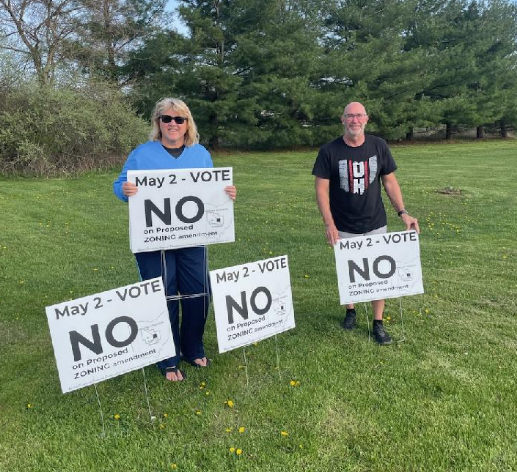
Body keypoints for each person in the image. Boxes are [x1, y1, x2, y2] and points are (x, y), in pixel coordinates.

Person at [113, 97, 236, 381]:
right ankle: (167, 356)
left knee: (198, 291)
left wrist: (226, 194)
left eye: (179, 119)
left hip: (192, 236)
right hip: (153, 238)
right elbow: (119, 184)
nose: (172, 124)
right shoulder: (142, 153)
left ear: (187, 124)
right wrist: (126, 191)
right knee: (161, 294)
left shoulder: (200, 153)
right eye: (166, 119)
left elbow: (211, 189)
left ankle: (193, 346)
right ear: (158, 123)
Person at [312, 101, 419, 345]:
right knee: (348, 272)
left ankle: (378, 323)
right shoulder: (329, 151)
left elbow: (389, 182)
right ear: (342, 119)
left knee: (379, 274)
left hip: (375, 222)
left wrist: (403, 212)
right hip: (343, 225)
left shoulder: (378, 146)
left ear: (366, 119)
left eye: (359, 116)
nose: (354, 121)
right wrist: (329, 224)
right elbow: (321, 190)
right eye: (350, 116)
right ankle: (351, 310)